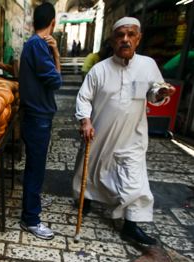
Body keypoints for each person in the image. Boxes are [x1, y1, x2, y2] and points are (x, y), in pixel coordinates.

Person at [72, 17, 176, 245]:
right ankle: (86, 197)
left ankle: (131, 225)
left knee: (135, 180)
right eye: (120, 35)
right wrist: (85, 120)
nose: (125, 40)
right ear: (112, 40)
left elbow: (153, 92)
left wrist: (160, 93)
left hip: (133, 137)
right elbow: (84, 98)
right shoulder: (99, 70)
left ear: (138, 39)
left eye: (130, 35)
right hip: (101, 135)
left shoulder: (147, 65)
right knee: (90, 170)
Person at [18, 2, 62, 240]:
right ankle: (31, 219)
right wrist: (56, 53)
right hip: (37, 118)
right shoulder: (37, 45)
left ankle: (30, 214)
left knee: (36, 167)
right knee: (36, 170)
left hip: (38, 117)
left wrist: (54, 52)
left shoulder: (34, 45)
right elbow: (56, 81)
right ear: (52, 22)